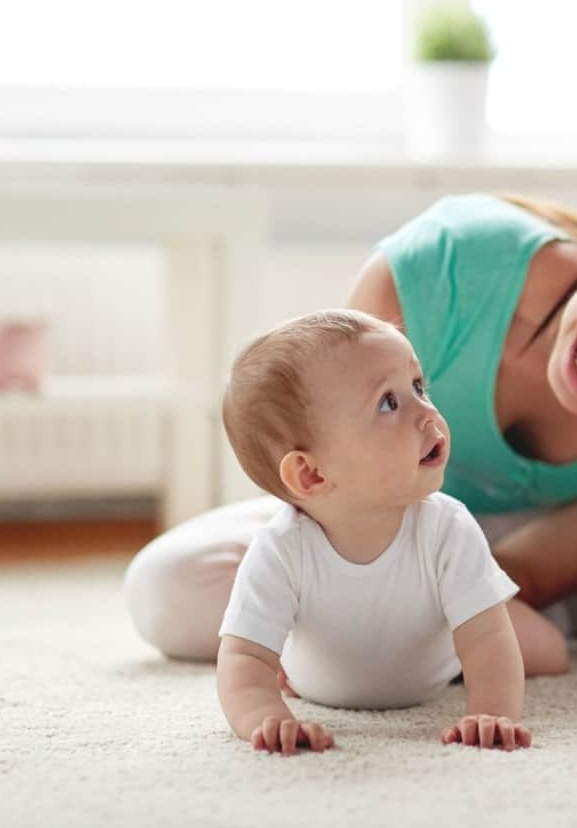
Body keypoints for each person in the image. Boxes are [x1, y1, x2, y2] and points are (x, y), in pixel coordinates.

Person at [124, 178, 577, 676]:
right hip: (389, 511)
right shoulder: (443, 267)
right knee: (170, 593)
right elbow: (334, 473)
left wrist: (419, 622)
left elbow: (539, 571)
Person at [216, 310, 544, 755]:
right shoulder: (280, 549)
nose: (427, 413)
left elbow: (487, 639)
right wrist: (268, 720)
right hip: (314, 684)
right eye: (388, 403)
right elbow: (245, 660)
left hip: (438, 672)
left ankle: (518, 612)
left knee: (544, 650)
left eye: (418, 387)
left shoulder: (447, 526)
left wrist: (491, 712)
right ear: (311, 475)